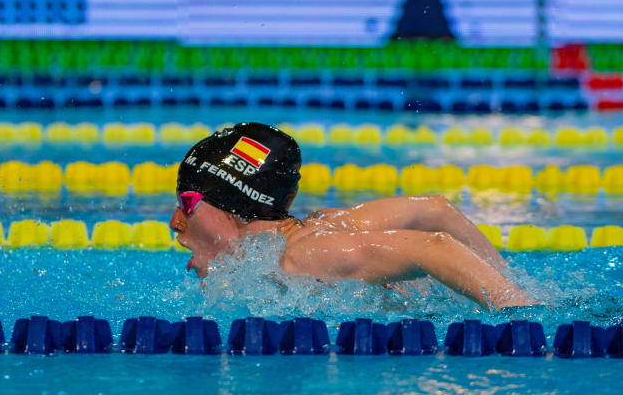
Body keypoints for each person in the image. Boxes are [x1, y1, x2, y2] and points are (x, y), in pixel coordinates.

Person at [169, 122, 539, 311]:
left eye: (186, 203)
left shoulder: (304, 257)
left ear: (234, 206)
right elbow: (434, 210)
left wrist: (518, 313)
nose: (175, 221)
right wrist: (514, 283)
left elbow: (434, 246)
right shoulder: (320, 224)